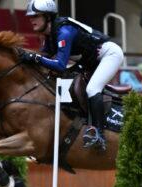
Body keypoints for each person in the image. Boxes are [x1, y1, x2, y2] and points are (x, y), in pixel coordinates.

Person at [21, 0, 124, 151]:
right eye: (31, 17)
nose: (32, 20)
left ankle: (99, 135)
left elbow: (60, 65)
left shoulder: (64, 32)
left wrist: (35, 58)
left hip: (109, 54)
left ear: (48, 17)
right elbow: (46, 59)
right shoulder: (49, 36)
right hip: (90, 61)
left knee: (92, 89)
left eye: (36, 16)